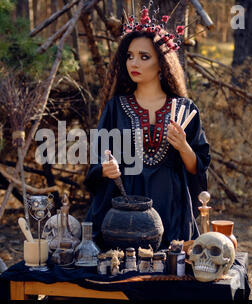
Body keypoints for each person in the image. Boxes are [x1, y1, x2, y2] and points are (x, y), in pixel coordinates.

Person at [83, 8, 211, 249]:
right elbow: (96, 162)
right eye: (130, 56)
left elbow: (198, 168)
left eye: (144, 57)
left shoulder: (184, 109)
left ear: (162, 64)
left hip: (172, 210)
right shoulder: (115, 108)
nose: (134, 63)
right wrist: (105, 169)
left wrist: (183, 146)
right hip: (125, 213)